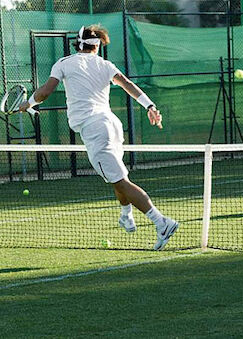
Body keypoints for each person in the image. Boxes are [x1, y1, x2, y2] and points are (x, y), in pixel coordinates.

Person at [19, 25, 179, 250]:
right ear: (97, 46)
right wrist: (150, 106)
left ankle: (161, 222)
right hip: (112, 125)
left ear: (78, 44)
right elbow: (128, 85)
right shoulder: (106, 65)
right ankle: (125, 214)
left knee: (120, 180)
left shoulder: (64, 63)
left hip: (95, 130)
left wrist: (29, 103)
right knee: (116, 176)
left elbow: (45, 92)